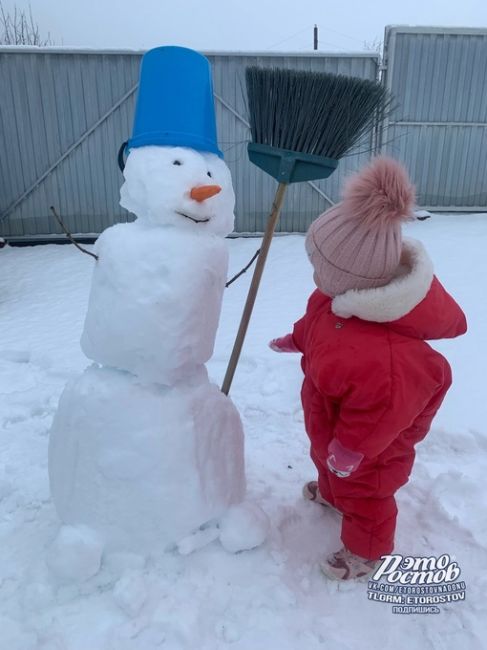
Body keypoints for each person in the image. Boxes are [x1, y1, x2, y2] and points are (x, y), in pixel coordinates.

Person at [269, 156, 467, 581]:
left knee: (367, 494)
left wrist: (353, 448)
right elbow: (315, 324)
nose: (315, 274)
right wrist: (296, 339)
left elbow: (384, 411)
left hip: (372, 447)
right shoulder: (334, 298)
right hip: (332, 420)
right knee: (326, 460)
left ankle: (368, 552)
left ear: (354, 277)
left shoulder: (388, 356)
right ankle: (331, 490)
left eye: (321, 266)